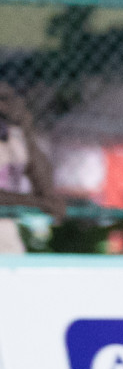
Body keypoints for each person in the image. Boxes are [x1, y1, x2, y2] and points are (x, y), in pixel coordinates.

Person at [0, 80, 68, 252]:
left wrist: (26, 129)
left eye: (7, 99)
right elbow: (43, 199)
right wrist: (36, 203)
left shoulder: (13, 135)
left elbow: (44, 184)